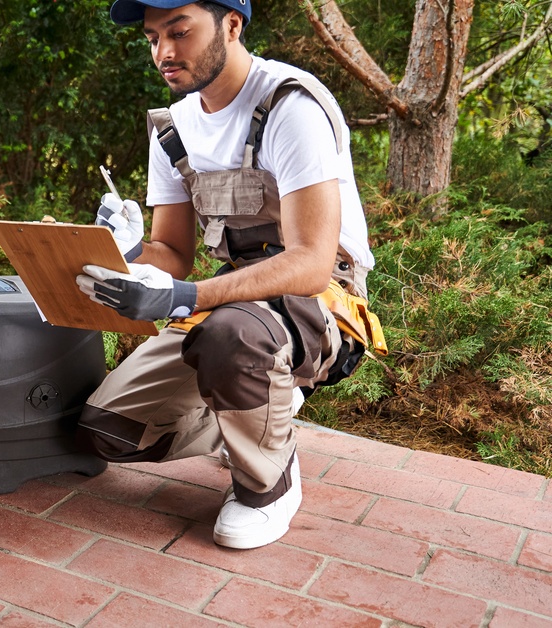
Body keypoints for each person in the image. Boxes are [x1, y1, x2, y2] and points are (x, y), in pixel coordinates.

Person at [75, 0, 386, 549]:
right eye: (152, 38)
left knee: (231, 334)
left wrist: (185, 296)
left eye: (179, 32)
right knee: (109, 431)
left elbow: (312, 262)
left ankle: (268, 485)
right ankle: (261, 411)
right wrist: (124, 251)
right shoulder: (171, 129)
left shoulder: (290, 105)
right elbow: (171, 253)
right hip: (234, 297)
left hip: (322, 300)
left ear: (232, 25)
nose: (164, 53)